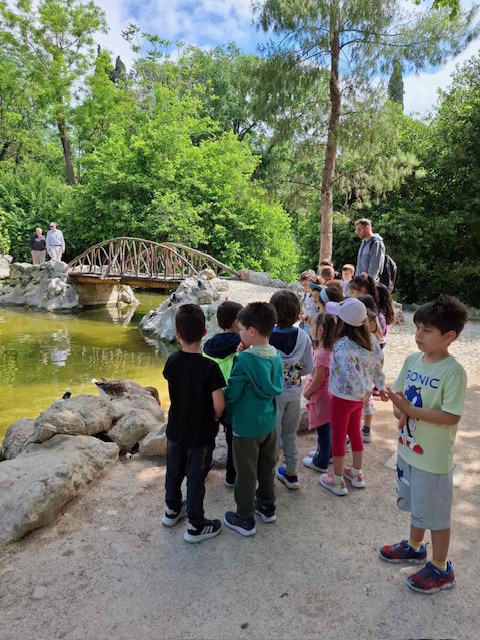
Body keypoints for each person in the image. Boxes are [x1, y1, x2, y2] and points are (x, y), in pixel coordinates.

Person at [381, 295, 468, 595]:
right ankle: (415, 546)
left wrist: (410, 410)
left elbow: (451, 416)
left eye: (427, 330)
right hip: (408, 450)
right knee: (417, 504)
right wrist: (399, 408)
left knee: (436, 515)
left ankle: (442, 568)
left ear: (449, 336)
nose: (418, 335)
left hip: (432, 459)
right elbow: (401, 405)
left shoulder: (453, 372)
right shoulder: (412, 360)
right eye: (417, 327)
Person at [162, 304, 225, 543]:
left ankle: (172, 510)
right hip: (200, 434)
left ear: (177, 334)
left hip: (175, 430)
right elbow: (219, 403)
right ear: (205, 332)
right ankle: (196, 525)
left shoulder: (171, 362)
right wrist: (216, 417)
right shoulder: (210, 367)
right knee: (196, 478)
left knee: (174, 471)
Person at [223, 302, 284, 536]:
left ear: (251, 331)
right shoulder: (275, 356)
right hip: (269, 423)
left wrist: (218, 397)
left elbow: (233, 393)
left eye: (241, 329)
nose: (239, 333)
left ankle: (244, 517)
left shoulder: (244, 361)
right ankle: (267, 506)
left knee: (246, 474)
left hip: (246, 428)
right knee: (267, 467)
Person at [319, 298, 387, 496]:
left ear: (341, 322)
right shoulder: (372, 340)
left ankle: (337, 479)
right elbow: (377, 366)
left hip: (343, 398)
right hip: (360, 399)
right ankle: (357, 474)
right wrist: (380, 387)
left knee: (339, 436)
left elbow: (350, 372)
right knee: (355, 432)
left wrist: (360, 391)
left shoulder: (342, 345)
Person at [269, 289, 314, 489]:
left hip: (273, 396)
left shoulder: (267, 336)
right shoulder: (303, 337)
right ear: (297, 311)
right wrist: (293, 373)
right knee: (289, 435)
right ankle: (292, 473)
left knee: (272, 438)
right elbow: (309, 367)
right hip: (294, 394)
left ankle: (269, 477)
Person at [203, 300, 243, 488]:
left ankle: (202, 470)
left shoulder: (208, 345)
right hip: (232, 399)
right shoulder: (241, 346)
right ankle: (231, 477)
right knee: (232, 439)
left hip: (211, 398)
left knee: (208, 438)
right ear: (237, 322)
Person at [302, 312, 337, 473]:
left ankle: (320, 462)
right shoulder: (330, 350)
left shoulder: (322, 354)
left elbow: (318, 378)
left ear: (320, 329)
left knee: (323, 431)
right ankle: (327, 454)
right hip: (328, 395)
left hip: (321, 396)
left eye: (312, 326)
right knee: (328, 428)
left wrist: (308, 392)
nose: (310, 329)